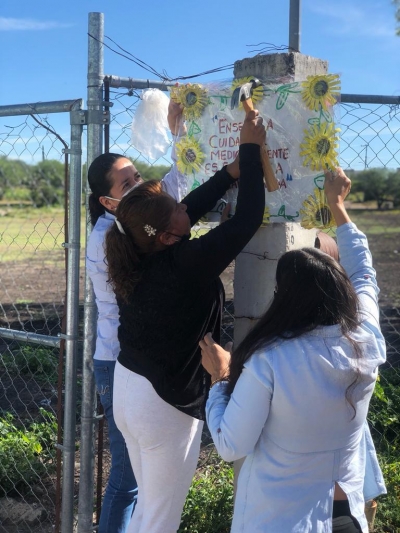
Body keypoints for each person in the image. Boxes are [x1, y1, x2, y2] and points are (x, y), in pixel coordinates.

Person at [104, 110, 266, 533]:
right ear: (163, 232)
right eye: (175, 206)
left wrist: (230, 172)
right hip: (163, 402)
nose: (184, 207)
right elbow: (247, 220)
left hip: (131, 389)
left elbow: (186, 210)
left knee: (148, 512)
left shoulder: (140, 247)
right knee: (159, 520)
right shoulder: (183, 263)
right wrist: (249, 149)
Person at [200, 168, 386, 533]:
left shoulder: (271, 359)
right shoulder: (365, 335)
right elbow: (364, 274)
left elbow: (230, 444)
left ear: (283, 298)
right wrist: (337, 206)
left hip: (281, 520)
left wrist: (221, 379)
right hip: (347, 515)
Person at [86, 101, 186, 533]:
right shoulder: (113, 235)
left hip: (125, 360)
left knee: (134, 481)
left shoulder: (123, 226)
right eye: (127, 185)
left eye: (137, 177)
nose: (140, 185)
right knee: (126, 481)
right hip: (117, 361)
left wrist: (178, 134)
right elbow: (174, 205)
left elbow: (174, 192)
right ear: (108, 201)